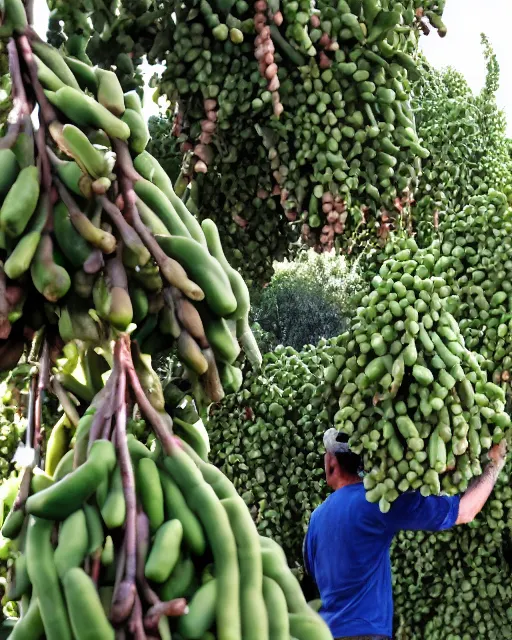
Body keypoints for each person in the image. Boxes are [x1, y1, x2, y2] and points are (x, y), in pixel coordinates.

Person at [303, 428, 509, 640]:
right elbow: (465, 511)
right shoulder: (376, 502)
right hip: (366, 633)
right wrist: (495, 463)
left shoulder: (316, 519)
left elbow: (312, 568)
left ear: (330, 464)